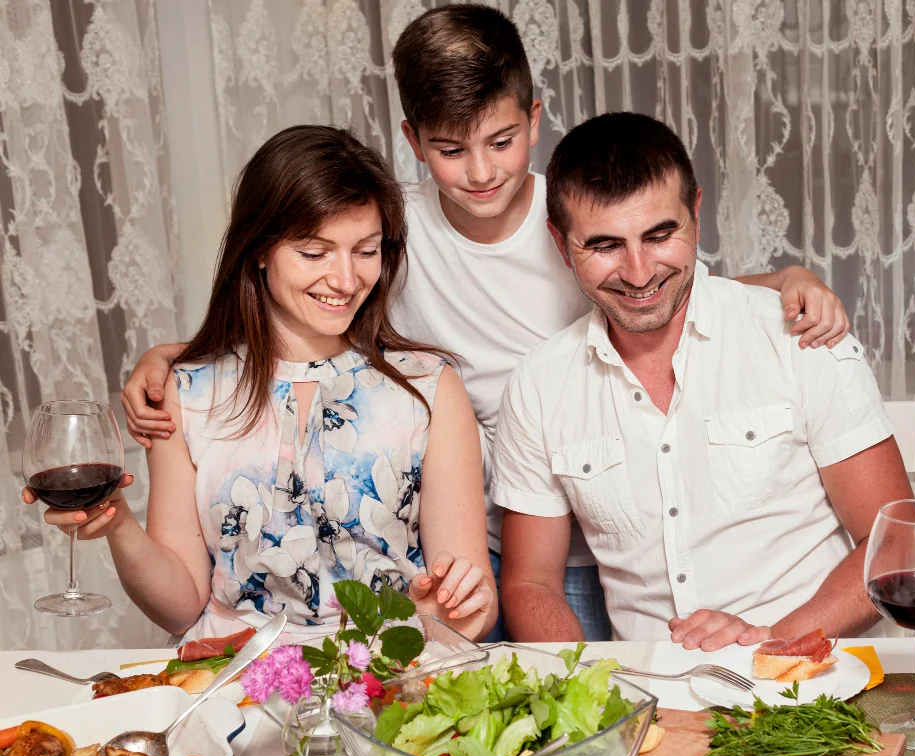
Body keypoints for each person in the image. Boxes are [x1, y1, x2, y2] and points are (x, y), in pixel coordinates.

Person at [119, 6, 851, 643]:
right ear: (413, 141)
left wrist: (784, 281)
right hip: (482, 538)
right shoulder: (390, 229)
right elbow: (302, 313)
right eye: (450, 150)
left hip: (605, 535)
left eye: (501, 142)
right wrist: (175, 356)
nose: (480, 172)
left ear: (534, 119)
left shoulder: (577, 217)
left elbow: (663, 285)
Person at [23, 126, 496, 642]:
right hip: (235, 678)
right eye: (315, 253)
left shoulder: (428, 389)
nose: (346, 280)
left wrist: (441, 615)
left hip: (386, 670)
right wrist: (117, 524)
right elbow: (180, 608)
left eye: (365, 251)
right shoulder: (188, 393)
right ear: (261, 249)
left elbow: (473, 606)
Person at [490, 112, 914, 648]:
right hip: (645, 686)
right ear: (560, 242)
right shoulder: (539, 385)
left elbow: (895, 545)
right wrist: (589, 689)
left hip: (811, 671)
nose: (639, 272)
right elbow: (531, 583)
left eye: (660, 235)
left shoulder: (799, 338)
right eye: (604, 246)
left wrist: (770, 642)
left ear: (695, 212)